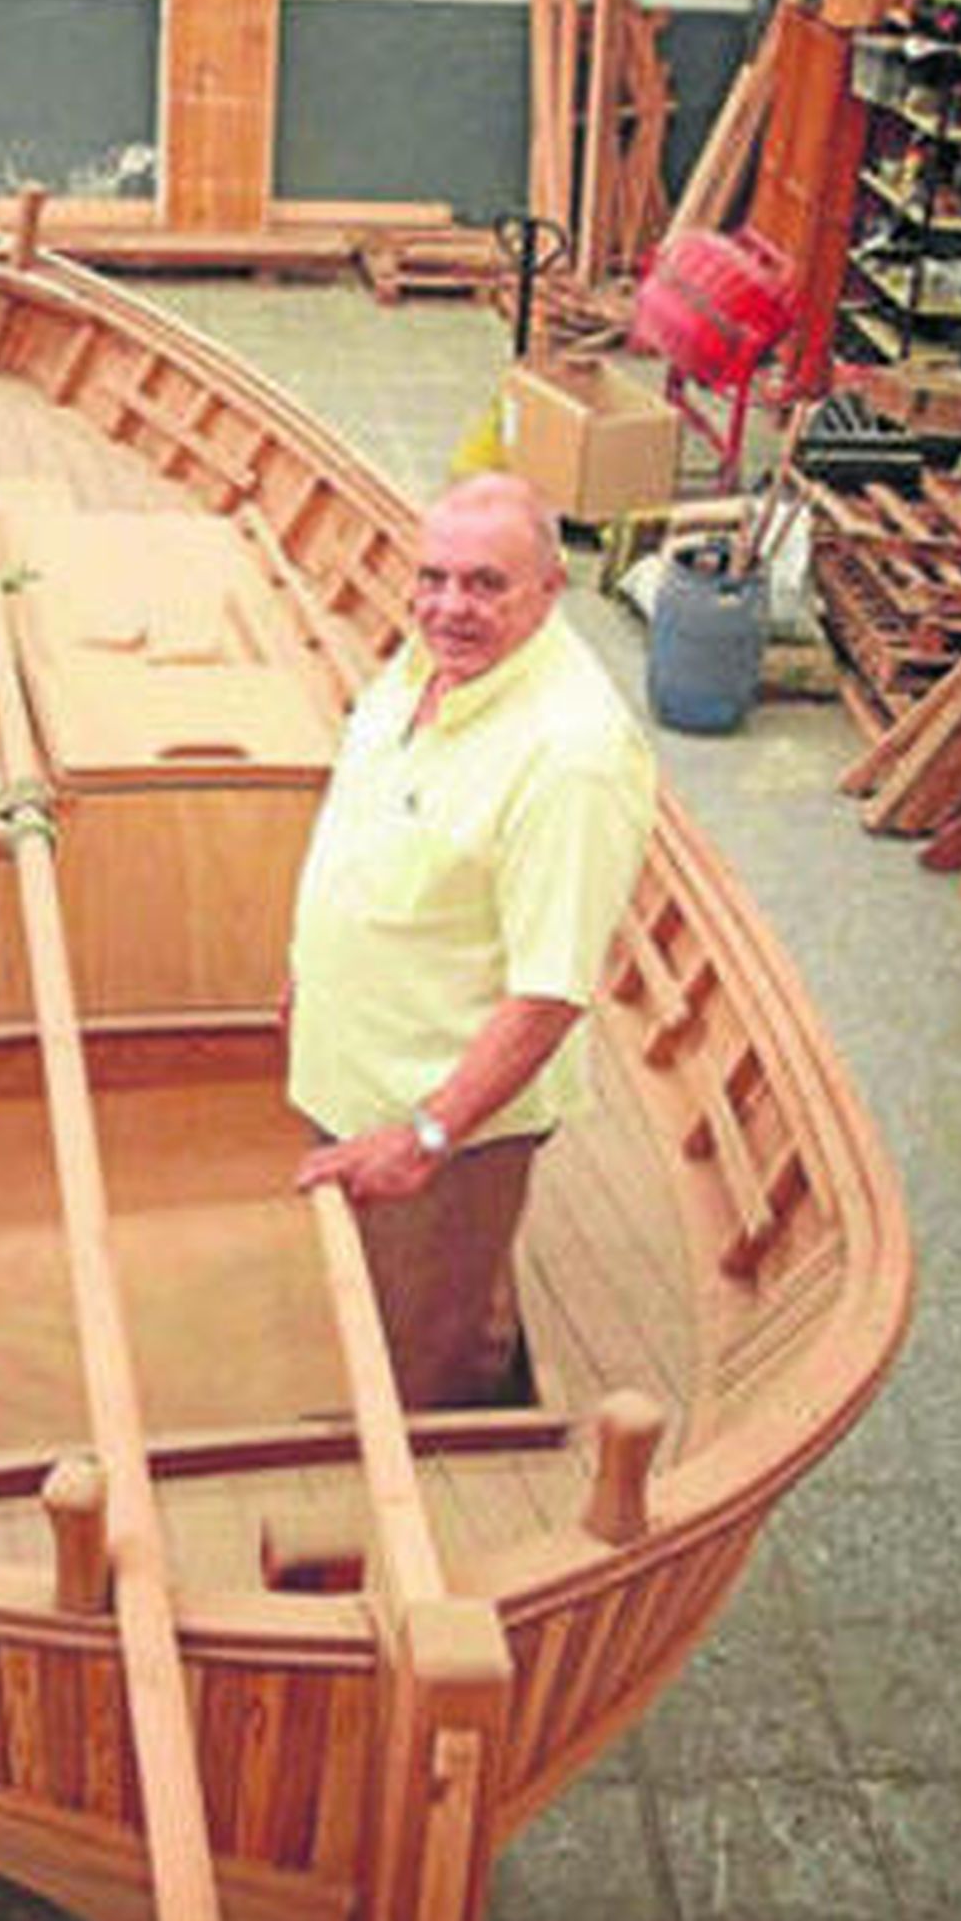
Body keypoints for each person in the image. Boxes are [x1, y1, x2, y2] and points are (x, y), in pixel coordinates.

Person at [289, 470, 656, 1408]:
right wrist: (309, 973)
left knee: (427, 1338)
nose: (450, 606)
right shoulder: (432, 664)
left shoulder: (571, 759)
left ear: (551, 589)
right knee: (388, 1285)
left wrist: (424, 1137)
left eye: (487, 584)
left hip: (438, 1119)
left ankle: (442, 1437)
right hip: (356, 1063)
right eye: (434, 577)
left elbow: (549, 994)